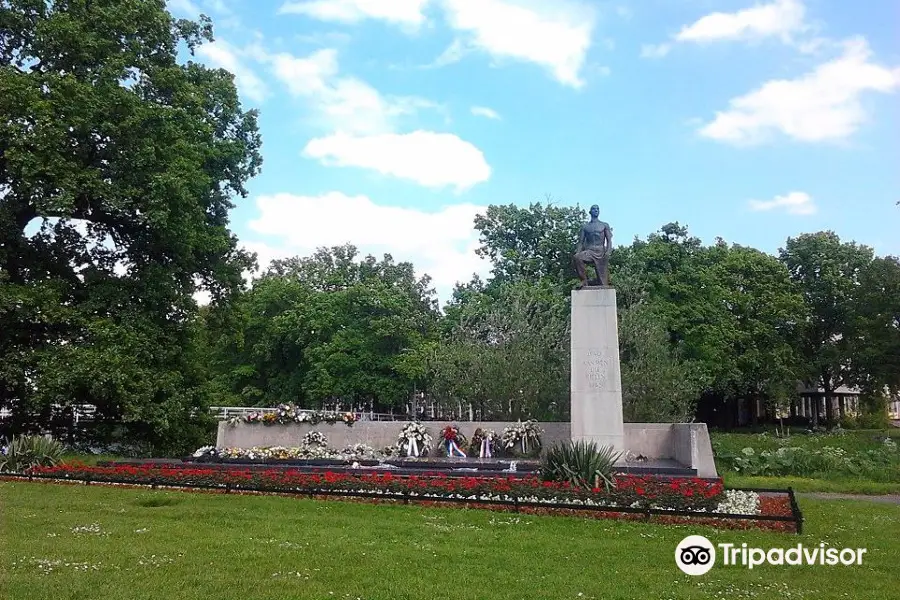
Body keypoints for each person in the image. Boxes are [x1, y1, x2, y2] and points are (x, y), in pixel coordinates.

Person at [573, 204, 612, 287]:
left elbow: (609, 241)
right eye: (594, 209)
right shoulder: (585, 227)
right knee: (577, 257)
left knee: (603, 284)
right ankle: (584, 281)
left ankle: (600, 281)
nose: (596, 210)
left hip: (601, 252)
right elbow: (581, 242)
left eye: (598, 209)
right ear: (590, 212)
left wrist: (608, 252)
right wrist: (577, 252)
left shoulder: (604, 225)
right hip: (589, 252)